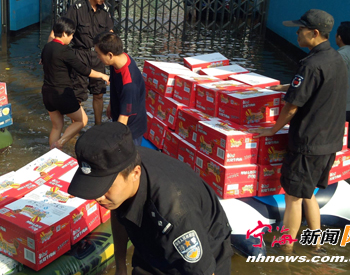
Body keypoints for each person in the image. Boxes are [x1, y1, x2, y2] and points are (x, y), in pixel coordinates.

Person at [68, 122, 233, 275]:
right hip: (150, 244)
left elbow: (201, 270)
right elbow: (119, 213)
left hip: (197, 253)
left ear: (135, 173)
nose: (98, 197)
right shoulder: (121, 161)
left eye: (105, 187)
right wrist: (121, 266)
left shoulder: (174, 215)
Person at [256, 9, 347, 253]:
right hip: (329, 141)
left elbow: (292, 107)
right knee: (308, 193)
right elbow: (318, 89)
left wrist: (272, 130)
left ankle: (285, 248)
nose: (297, 33)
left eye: (300, 29)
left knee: (293, 197)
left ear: (314, 33)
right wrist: (287, 86)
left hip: (308, 143)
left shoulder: (311, 65)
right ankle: (316, 243)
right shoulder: (336, 59)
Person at [49, 0, 115, 125]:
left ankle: (98, 126)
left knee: (99, 93)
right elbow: (58, 31)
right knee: (77, 95)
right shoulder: (77, 9)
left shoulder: (104, 10)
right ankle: (76, 127)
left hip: (98, 56)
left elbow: (110, 33)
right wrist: (49, 51)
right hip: (79, 56)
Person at [41, 18, 110, 149]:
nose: (72, 38)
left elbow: (43, 62)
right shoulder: (65, 51)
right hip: (62, 93)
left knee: (57, 126)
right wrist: (102, 75)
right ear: (64, 33)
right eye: (71, 35)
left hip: (47, 93)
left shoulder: (47, 47)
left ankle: (52, 154)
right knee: (82, 120)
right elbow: (84, 70)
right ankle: (60, 143)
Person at [93, 32, 147, 146]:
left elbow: (123, 121)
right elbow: (114, 84)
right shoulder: (119, 60)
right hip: (120, 111)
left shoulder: (129, 84)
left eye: (98, 54)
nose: (97, 57)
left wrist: (112, 143)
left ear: (110, 55)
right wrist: (111, 104)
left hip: (131, 129)